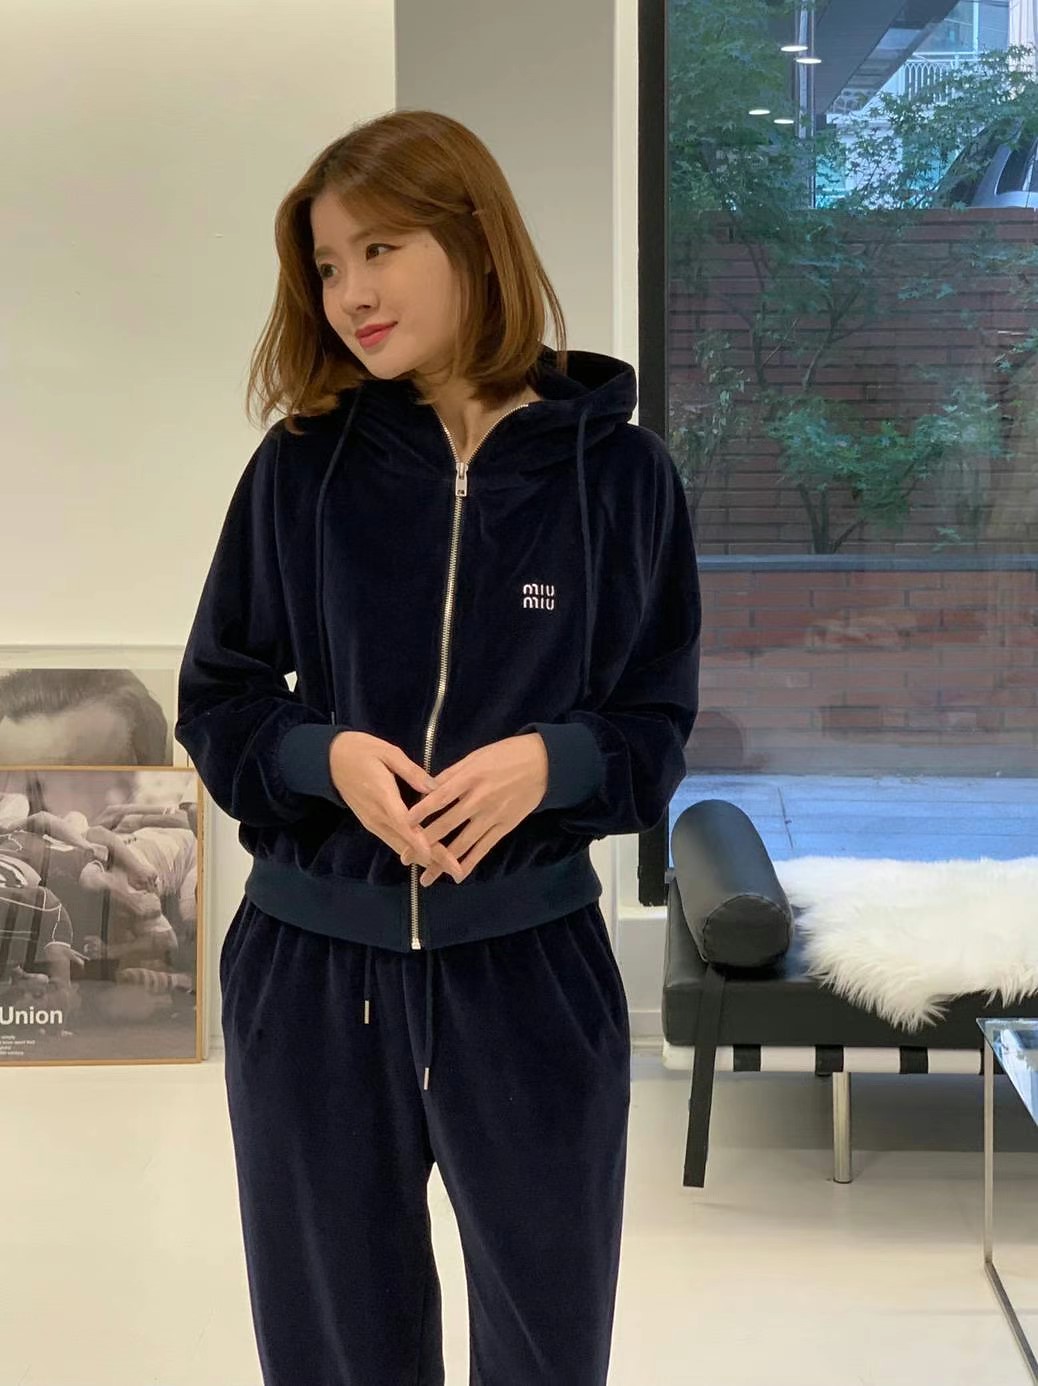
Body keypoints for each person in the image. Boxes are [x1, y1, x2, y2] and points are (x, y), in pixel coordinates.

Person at [175, 109, 701, 1386]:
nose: (349, 293)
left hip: (530, 972)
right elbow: (219, 696)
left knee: (547, 1347)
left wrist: (553, 763)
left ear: (473, 239)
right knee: (336, 1351)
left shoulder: (622, 477)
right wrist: (325, 758)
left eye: (380, 249)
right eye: (326, 266)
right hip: (311, 973)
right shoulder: (304, 466)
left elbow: (654, 728)